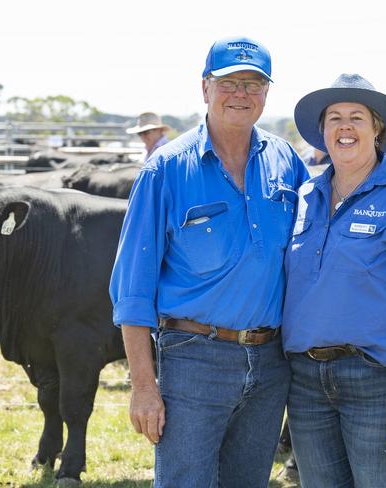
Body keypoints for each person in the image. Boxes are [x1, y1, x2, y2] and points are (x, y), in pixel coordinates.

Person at [110, 36, 309, 487]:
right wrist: (143, 386)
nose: (241, 94)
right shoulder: (166, 170)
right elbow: (132, 289)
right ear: (205, 88)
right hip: (195, 359)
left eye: (253, 84)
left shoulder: (287, 164)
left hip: (270, 359)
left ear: (266, 94)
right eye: (228, 82)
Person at [282, 73, 386, 487]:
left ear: (377, 130)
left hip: (377, 381)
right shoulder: (303, 198)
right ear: (321, 132)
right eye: (334, 118)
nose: (344, 127)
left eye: (356, 117)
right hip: (305, 381)